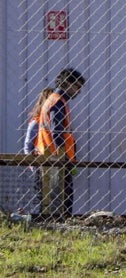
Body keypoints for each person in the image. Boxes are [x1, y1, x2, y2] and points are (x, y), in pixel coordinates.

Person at [35, 67, 86, 220]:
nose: (78, 91)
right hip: (56, 159)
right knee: (61, 201)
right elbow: (57, 131)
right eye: (77, 86)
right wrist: (62, 153)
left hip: (51, 157)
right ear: (68, 84)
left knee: (50, 201)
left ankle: (53, 226)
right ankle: (60, 226)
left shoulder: (55, 100)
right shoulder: (58, 102)